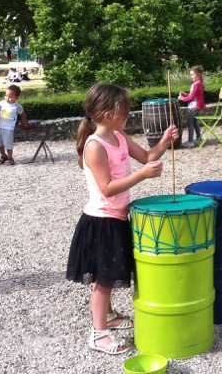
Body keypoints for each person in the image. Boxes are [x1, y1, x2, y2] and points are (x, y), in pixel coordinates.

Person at [66, 83, 179, 355]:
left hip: (117, 217)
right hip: (101, 221)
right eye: (125, 110)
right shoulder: (95, 146)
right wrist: (142, 176)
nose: (129, 114)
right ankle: (98, 334)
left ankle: (109, 316)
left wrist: (163, 142)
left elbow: (148, 157)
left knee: (111, 272)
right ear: (107, 114)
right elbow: (106, 188)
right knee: (103, 281)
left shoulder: (119, 135)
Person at [0, 84, 28, 165]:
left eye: (10, 97)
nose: (7, 98)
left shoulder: (16, 106)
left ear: (17, 97)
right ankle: (3, 156)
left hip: (8, 128)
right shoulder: (1, 103)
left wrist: (24, 122)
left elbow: (23, 114)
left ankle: (10, 158)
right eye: (6, 96)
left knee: (8, 144)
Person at [177, 66, 206, 148]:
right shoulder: (198, 84)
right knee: (194, 123)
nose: (191, 76)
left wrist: (182, 98)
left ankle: (190, 142)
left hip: (195, 107)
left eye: (193, 74)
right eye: (191, 75)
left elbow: (192, 97)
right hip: (197, 106)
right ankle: (199, 138)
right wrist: (185, 94)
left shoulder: (197, 84)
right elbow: (192, 95)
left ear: (199, 74)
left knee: (190, 123)